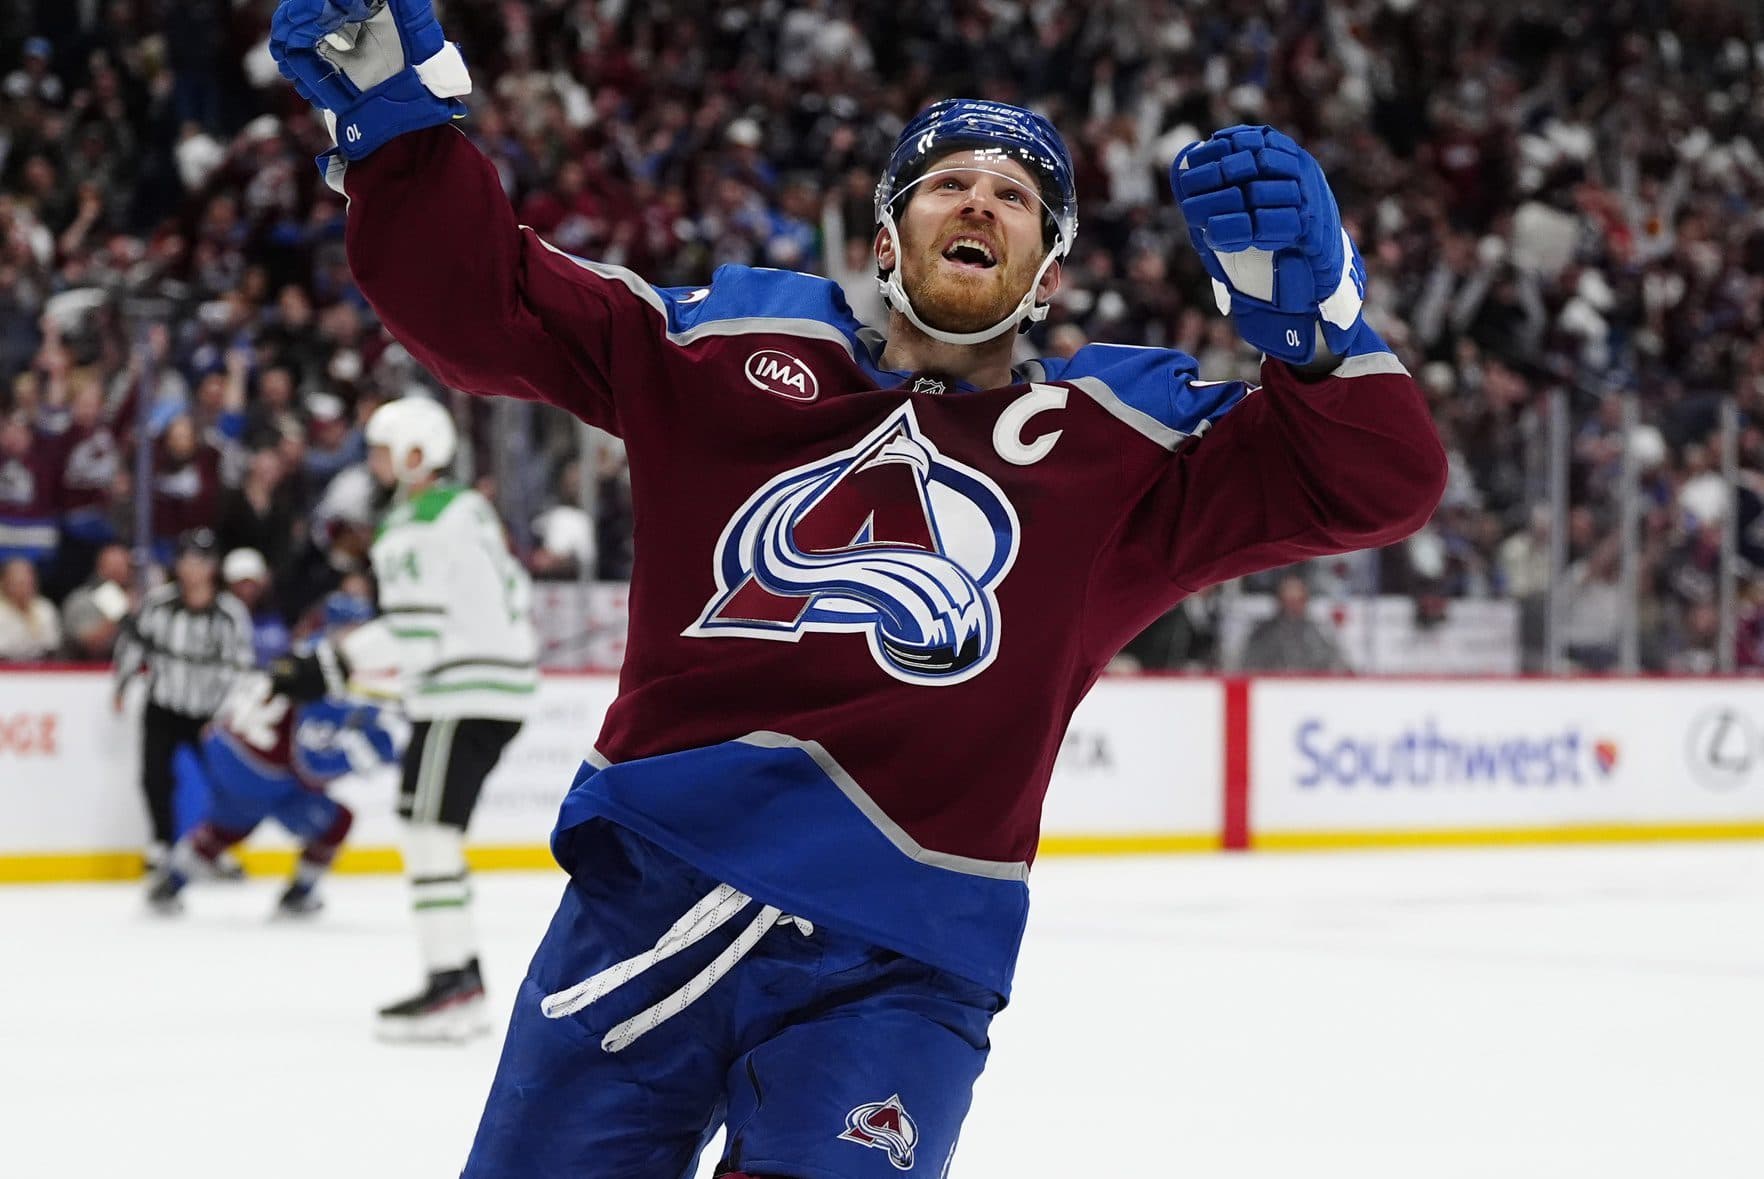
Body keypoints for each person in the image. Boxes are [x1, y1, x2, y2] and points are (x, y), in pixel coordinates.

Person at [271, 5, 1446, 1173]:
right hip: (643, 897)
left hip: (897, 963)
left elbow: (1377, 484)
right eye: (947, 185)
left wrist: (1321, 330)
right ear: (887, 242)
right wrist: (398, 133)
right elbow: (486, 305)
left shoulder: (1120, 443)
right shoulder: (724, 352)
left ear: (1047, 274)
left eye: (1016, 197)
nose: (979, 203)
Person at [354, 395, 538, 1040]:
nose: (374, 462)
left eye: (383, 450)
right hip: (485, 689)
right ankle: (458, 979)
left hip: (460, 693)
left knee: (428, 834)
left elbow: (414, 637)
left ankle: (452, 983)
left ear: (415, 452)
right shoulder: (465, 509)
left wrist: (326, 663)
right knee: (430, 831)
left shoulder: (419, 521)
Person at [145, 593, 400, 916]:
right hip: (262, 771)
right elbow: (311, 762)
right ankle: (299, 894)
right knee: (336, 822)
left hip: (225, 747)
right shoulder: (329, 670)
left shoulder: (303, 652)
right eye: (355, 628)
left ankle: (170, 883)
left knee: (228, 826)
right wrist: (370, 754)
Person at [113, 528, 255, 868]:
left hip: (210, 712)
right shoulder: (158, 603)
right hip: (163, 702)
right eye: (187, 560)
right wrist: (121, 685)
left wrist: (224, 714)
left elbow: (241, 668)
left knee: (222, 781)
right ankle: (162, 842)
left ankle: (216, 845)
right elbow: (135, 645)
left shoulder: (229, 612)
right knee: (155, 776)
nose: (193, 569)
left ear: (213, 566)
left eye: (201, 561)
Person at [1238, 574, 1349, 673]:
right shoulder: (1263, 634)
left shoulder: (1319, 633)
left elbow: (1336, 665)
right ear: (1280, 601)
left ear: (1305, 601)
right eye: (1289, 601)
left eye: (1298, 601)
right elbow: (1250, 667)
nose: (1293, 607)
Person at [0, 556, 60, 661]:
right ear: (4, 582)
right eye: (18, 583)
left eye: (28, 582)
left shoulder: (45, 608)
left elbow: (51, 646)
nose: (23, 588)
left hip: (40, 664)